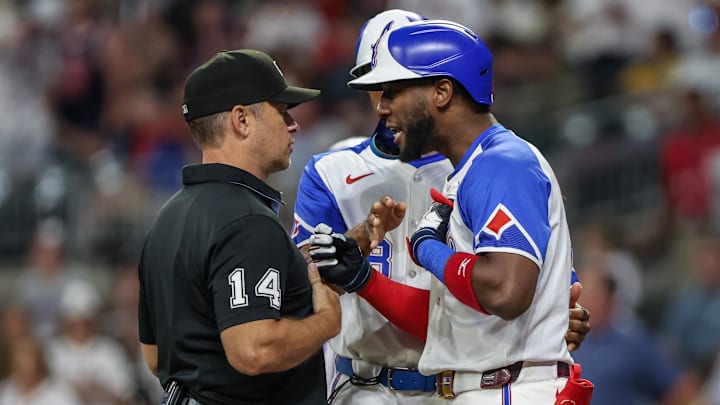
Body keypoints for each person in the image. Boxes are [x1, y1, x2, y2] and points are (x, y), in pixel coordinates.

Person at [295, 13, 590, 405]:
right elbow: (446, 315)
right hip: (450, 384)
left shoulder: (501, 163)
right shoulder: (468, 170)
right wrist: (364, 275)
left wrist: (427, 249)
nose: (382, 105)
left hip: (508, 386)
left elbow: (507, 290)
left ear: (441, 91)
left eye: (393, 89)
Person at [137, 49, 342, 405]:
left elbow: (156, 357)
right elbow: (254, 350)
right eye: (282, 111)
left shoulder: (167, 219)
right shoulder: (247, 222)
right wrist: (327, 322)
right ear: (241, 120)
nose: (294, 124)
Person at [572, 253, 700, 405]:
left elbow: (683, 386)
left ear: (611, 300)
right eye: (581, 293)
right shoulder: (561, 339)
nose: (585, 301)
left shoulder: (632, 340)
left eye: (593, 294)